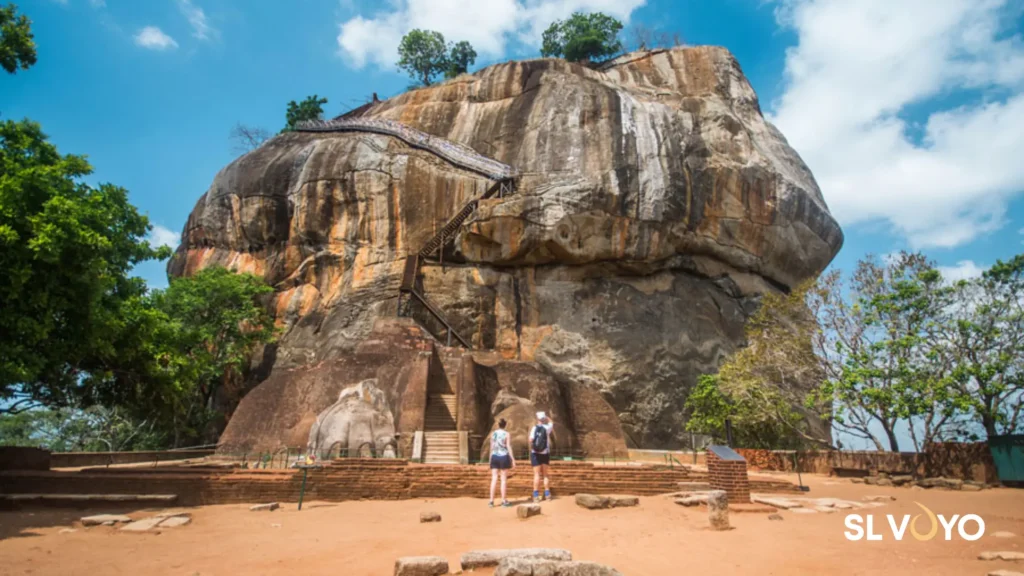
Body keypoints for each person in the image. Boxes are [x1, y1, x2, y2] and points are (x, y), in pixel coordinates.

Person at [488, 418, 515, 507]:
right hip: (503, 456)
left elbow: (491, 447)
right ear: (505, 425)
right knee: (503, 480)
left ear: (498, 425)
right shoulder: (507, 434)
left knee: (494, 479)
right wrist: (513, 459)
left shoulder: (493, 434)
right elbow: (508, 446)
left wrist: (490, 459)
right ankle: (503, 501)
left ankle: (491, 501)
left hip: (494, 456)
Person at [529, 411, 555, 502]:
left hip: (535, 453)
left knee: (536, 475)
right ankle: (547, 495)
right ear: (543, 419)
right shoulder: (547, 428)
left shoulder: (534, 428)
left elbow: (530, 440)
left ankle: (536, 495)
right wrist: (547, 417)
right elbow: (551, 422)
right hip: (545, 453)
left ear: (537, 419)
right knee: (545, 475)